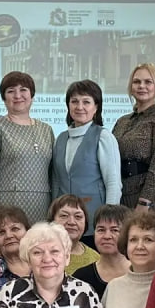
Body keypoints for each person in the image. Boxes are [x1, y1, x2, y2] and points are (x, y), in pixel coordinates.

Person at [0, 71, 55, 222]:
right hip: (8, 205)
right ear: (4, 97)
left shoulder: (46, 129)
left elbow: (53, 172)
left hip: (42, 205)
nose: (17, 95)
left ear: (32, 95)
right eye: (11, 91)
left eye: (23, 90)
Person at [51, 79, 121, 236]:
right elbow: (56, 182)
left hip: (94, 221)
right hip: (62, 224)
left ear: (96, 107)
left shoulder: (103, 137)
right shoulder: (60, 139)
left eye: (86, 102)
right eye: (74, 101)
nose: (79, 107)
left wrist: (108, 221)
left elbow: (113, 183)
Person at [113, 63, 155, 210]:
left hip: (151, 199)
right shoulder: (122, 121)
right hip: (123, 197)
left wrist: (144, 202)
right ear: (131, 87)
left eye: (148, 82)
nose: (141, 86)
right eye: (136, 82)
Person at [72, 204, 130, 297]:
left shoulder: (140, 274)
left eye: (115, 230)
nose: (107, 236)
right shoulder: (80, 278)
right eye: (101, 230)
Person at [50, 194, 101, 276]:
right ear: (52, 221)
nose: (71, 222)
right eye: (64, 216)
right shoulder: (38, 253)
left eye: (78, 216)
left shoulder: (95, 259)